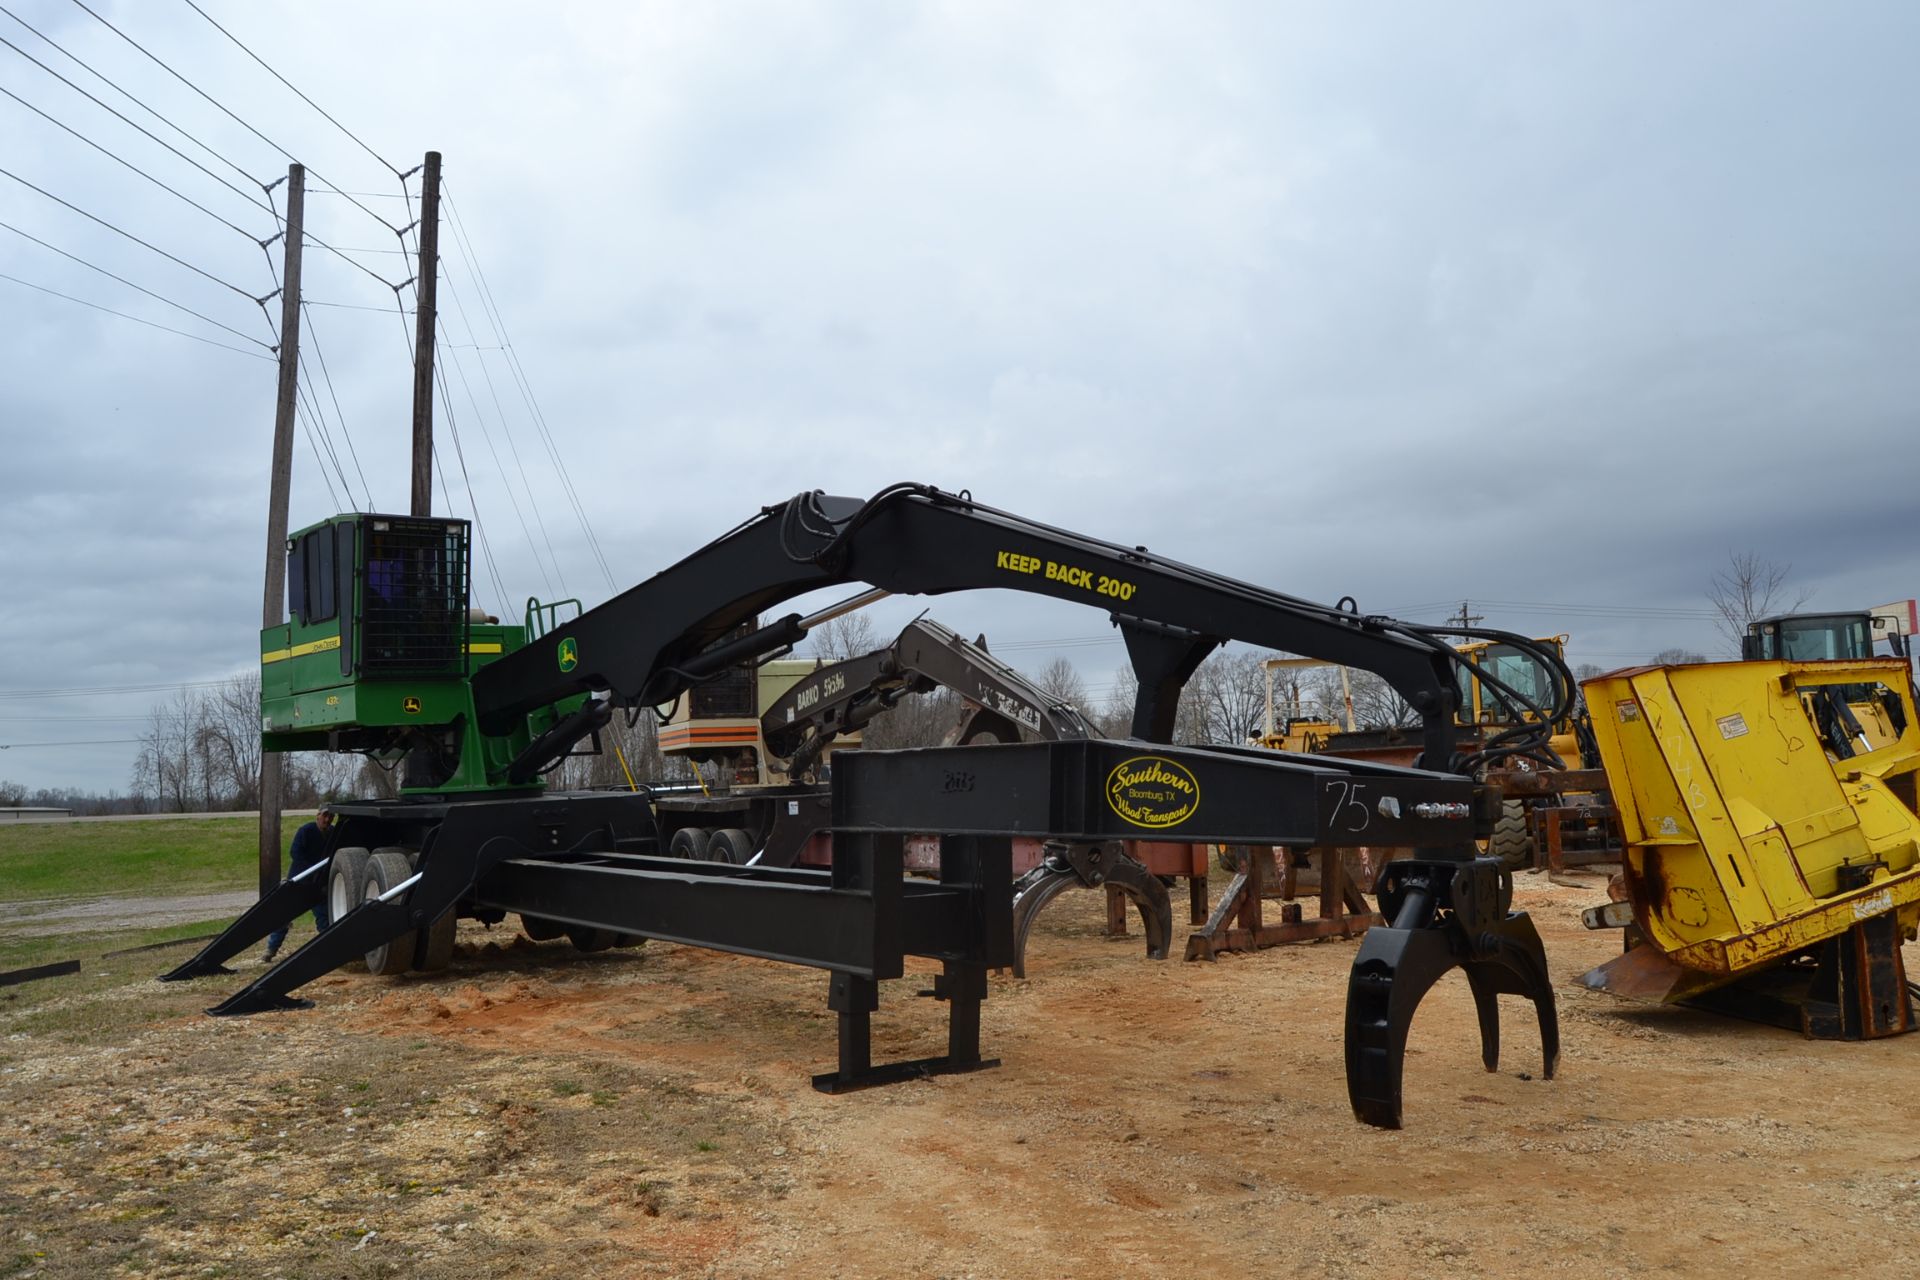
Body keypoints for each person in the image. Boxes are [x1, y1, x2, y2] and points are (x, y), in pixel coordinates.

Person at [264, 805, 335, 962]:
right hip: (299, 881)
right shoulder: (306, 831)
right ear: (318, 815)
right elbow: (295, 853)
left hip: (317, 885)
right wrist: (311, 869)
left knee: (324, 917)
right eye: (325, 815)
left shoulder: (332, 833)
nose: (327, 819)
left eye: (331, 816)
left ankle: (329, 948)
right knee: (284, 916)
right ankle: (271, 949)